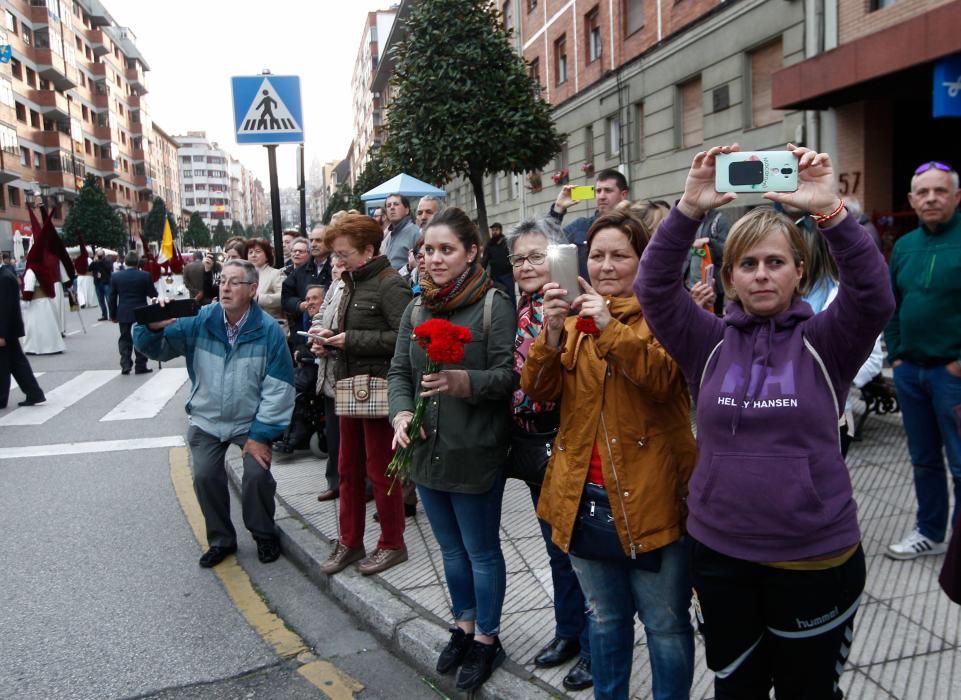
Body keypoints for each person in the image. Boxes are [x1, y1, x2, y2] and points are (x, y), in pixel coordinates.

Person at [636, 144, 895, 699]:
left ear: (800, 273)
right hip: (721, 555)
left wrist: (830, 213)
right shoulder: (704, 342)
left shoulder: (829, 341)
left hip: (814, 556)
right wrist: (688, 209)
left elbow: (873, 296)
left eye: (775, 262)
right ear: (728, 276)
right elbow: (653, 289)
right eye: (747, 264)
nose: (760, 275)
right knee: (737, 690)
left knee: (808, 693)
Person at [521, 208, 696, 699]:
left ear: (644, 260)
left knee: (664, 622)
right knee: (605, 617)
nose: (606, 266)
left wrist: (609, 327)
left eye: (621, 255)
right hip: (583, 497)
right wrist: (553, 332)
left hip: (652, 497)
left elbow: (665, 382)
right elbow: (538, 390)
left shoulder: (667, 312)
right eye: (597, 255)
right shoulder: (573, 318)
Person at [388, 207, 515, 692]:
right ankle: (463, 627)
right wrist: (401, 415)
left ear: (471, 253)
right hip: (425, 451)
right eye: (428, 250)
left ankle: (487, 638)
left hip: (474, 450)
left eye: (446, 250)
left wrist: (465, 381)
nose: (434, 259)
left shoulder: (492, 305)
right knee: (450, 551)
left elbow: (508, 377)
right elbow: (400, 371)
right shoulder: (417, 307)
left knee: (481, 552)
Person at [135, 259, 294, 567]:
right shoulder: (200, 320)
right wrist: (153, 326)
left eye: (234, 282)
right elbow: (157, 349)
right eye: (222, 281)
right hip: (207, 420)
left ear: (251, 289)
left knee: (257, 476)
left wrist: (261, 436)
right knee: (206, 477)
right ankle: (222, 540)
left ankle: (263, 534)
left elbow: (280, 389)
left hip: (250, 422)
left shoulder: (268, 332)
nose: (225, 287)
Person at [507, 218, 592, 691]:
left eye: (536, 256)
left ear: (560, 257)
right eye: (518, 258)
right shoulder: (520, 306)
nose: (525, 266)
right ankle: (569, 633)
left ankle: (598, 648)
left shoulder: (577, 307)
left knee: (584, 552)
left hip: (569, 441)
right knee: (556, 547)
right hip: (531, 445)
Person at [313, 215, 412, 577]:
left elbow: (406, 339)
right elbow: (359, 328)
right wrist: (329, 337)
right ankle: (350, 541)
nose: (338, 261)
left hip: (380, 387)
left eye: (344, 253)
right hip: (350, 383)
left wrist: (349, 340)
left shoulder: (390, 284)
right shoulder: (353, 281)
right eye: (336, 254)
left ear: (369, 250)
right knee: (347, 469)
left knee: (380, 472)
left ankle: (391, 543)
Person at [885, 161, 961, 560]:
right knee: (924, 460)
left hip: (954, 375)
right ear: (912, 201)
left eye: (940, 191)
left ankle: (959, 542)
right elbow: (893, 305)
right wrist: (896, 355)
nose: (931, 198)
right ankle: (929, 532)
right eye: (924, 193)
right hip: (911, 371)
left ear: (956, 197)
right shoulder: (904, 246)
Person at [311, 257, 348, 501]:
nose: (335, 269)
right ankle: (335, 483)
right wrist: (315, 336)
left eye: (340, 264)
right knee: (334, 436)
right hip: (327, 374)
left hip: (346, 374)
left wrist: (332, 344)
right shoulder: (335, 286)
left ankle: (356, 486)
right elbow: (321, 313)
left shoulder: (356, 286)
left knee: (350, 439)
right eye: (333, 265)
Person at [549, 169, 631, 277]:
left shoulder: (635, 227)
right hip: (586, 292)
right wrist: (558, 209)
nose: (601, 196)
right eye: (598, 191)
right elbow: (546, 243)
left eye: (608, 190)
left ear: (623, 195)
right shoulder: (580, 227)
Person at [0, 251, 45, 408]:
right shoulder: (5, 274)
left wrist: (2, 334)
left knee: (4, 364)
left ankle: (2, 398)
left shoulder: (4, 277)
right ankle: (34, 393)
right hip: (8, 329)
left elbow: (4, 308)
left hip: (6, 329)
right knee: (16, 363)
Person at [109, 251, 158, 375]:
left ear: (125, 262)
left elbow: (112, 297)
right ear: (137, 262)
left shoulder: (116, 276)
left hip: (124, 311)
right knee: (141, 337)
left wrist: (113, 314)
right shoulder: (145, 276)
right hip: (141, 310)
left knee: (125, 338)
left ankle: (125, 364)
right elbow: (153, 294)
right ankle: (140, 365)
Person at [282, 231, 331, 342]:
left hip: (329, 327)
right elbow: (286, 298)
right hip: (304, 329)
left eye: (318, 240)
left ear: (329, 243)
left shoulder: (336, 267)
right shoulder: (300, 270)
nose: (313, 244)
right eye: (311, 240)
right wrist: (300, 305)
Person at [246, 238, 286, 327]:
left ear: (267, 255)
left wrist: (259, 298)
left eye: (258, 251)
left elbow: (284, 297)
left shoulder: (276, 273)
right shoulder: (242, 274)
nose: (253, 255)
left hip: (270, 324)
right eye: (250, 252)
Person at [383, 194, 421, 271]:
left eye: (396, 204)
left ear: (407, 210)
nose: (392, 208)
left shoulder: (416, 233)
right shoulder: (388, 234)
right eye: (388, 205)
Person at [481, 222, 514, 306]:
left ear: (500, 230)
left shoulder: (506, 242)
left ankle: (513, 314)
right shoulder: (489, 244)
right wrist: (482, 272)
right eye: (492, 230)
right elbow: (485, 259)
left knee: (511, 296)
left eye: (496, 230)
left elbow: (512, 256)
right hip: (495, 276)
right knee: (498, 297)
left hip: (507, 275)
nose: (494, 232)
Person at [89, 249, 113, 321]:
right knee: (101, 301)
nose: (99, 257)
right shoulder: (95, 262)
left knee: (109, 300)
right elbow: (89, 269)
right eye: (98, 255)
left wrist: (101, 261)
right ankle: (104, 315)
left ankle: (111, 315)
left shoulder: (107, 261)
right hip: (98, 283)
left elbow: (109, 268)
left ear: (103, 255)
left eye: (100, 255)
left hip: (106, 283)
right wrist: (94, 261)